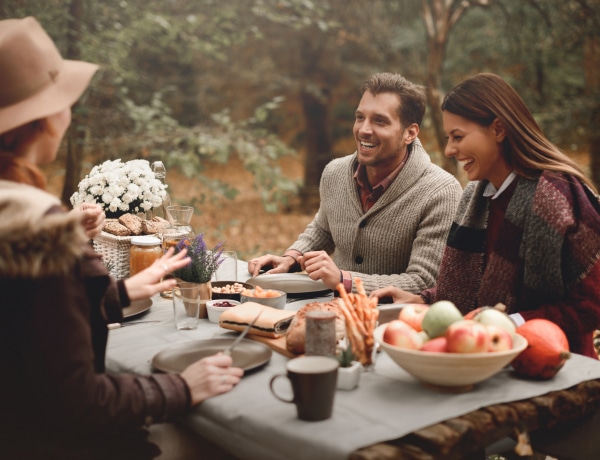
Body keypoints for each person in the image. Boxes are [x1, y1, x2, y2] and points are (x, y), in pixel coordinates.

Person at [0, 17, 243, 457]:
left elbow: (26, 328)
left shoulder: (14, 217)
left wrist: (117, 291)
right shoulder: (37, 231)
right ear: (49, 118)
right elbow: (78, 398)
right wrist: (181, 387)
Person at [372, 73, 600, 358]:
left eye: (458, 137)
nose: (449, 150)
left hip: (555, 368)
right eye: (448, 138)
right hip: (483, 361)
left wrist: (507, 324)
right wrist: (423, 299)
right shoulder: (476, 198)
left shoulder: (557, 196)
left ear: (499, 129)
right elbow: (474, 290)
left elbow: (592, 306)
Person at [248, 73, 463, 295]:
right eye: (360, 117)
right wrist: (291, 258)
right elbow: (324, 230)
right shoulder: (335, 172)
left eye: (379, 121)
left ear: (410, 133)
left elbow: (424, 281)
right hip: (332, 312)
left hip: (395, 322)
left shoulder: (441, 192)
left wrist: (344, 279)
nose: (363, 129)